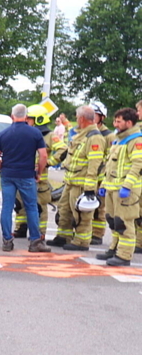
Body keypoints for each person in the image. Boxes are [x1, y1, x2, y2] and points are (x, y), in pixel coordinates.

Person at [0, 104, 51, 252]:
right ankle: (35, 242)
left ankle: (7, 241)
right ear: (26, 116)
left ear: (12, 116)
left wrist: (2, 167)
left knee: (7, 207)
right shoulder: (35, 133)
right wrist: (39, 172)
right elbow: (43, 155)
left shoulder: (3, 134)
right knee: (31, 207)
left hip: (8, 175)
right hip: (26, 175)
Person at [48, 105, 107, 250]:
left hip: (81, 184)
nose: (76, 120)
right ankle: (63, 237)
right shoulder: (82, 134)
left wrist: (89, 188)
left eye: (77, 118)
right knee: (64, 210)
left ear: (81, 119)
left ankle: (81, 241)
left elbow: (94, 166)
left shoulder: (94, 137)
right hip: (70, 181)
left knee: (82, 214)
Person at [96, 107, 142, 266]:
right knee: (113, 220)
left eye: (118, 121)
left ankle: (124, 255)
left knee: (124, 222)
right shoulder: (118, 138)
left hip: (126, 190)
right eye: (115, 120)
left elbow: (138, 165)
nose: (115, 123)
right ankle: (114, 249)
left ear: (129, 123)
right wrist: (103, 184)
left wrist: (127, 186)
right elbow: (110, 165)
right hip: (112, 187)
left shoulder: (136, 140)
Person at [12, 104, 67, 238]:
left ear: (39, 120)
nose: (26, 121)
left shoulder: (49, 136)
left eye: (29, 119)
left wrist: (48, 163)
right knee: (20, 204)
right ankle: (21, 228)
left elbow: (63, 149)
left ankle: (40, 233)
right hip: (23, 175)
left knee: (39, 207)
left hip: (39, 179)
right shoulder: (24, 132)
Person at [88, 102, 113, 244]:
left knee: (99, 208)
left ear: (102, 117)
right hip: (86, 176)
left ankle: (97, 235)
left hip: (100, 177)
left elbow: (110, 158)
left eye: (94, 115)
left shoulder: (108, 136)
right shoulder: (86, 132)